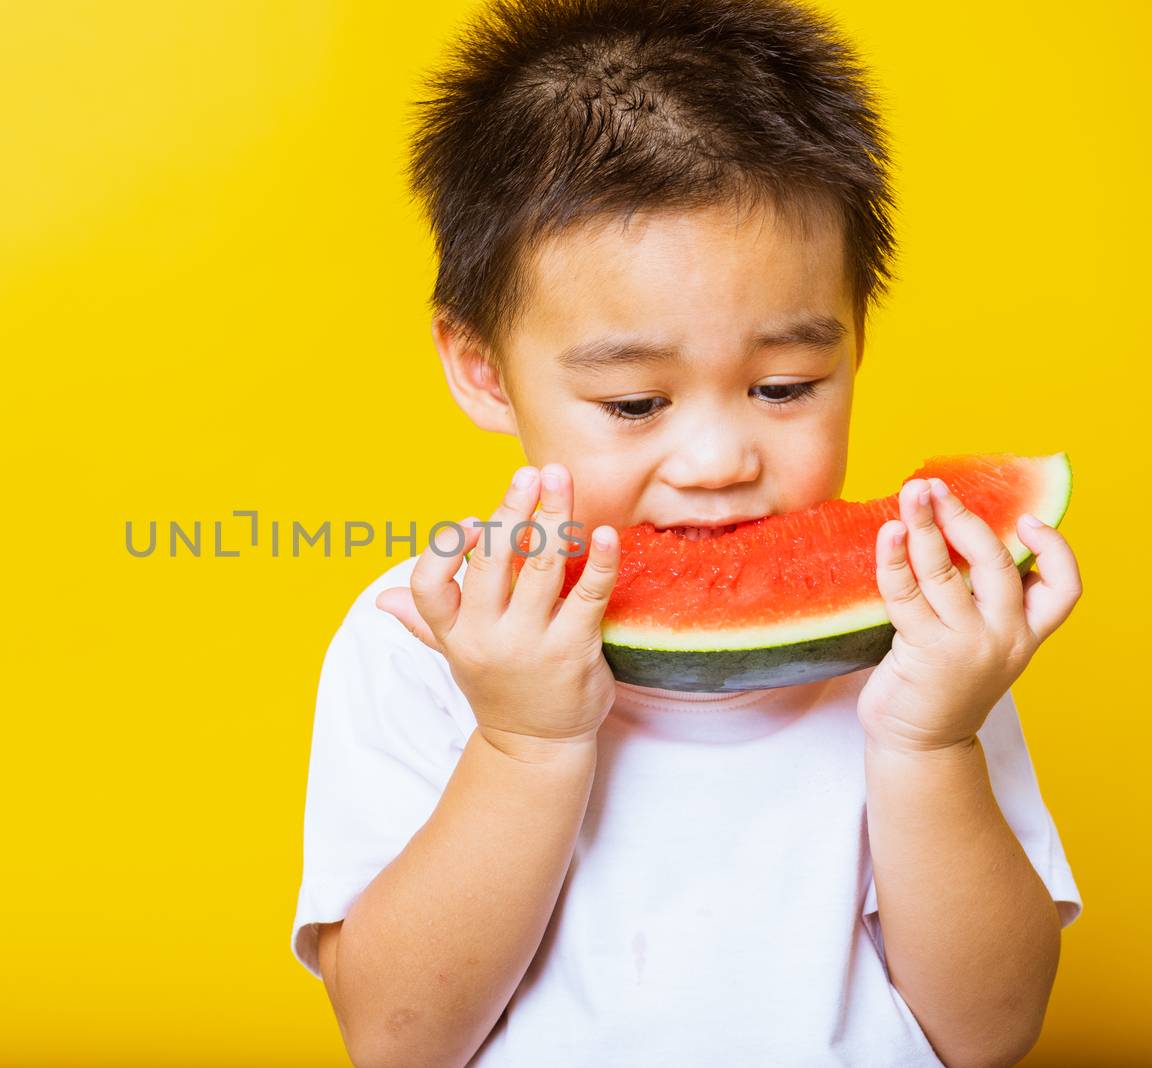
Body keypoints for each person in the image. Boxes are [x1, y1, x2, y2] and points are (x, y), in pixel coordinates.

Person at [288, 1, 1085, 1065]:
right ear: (481, 367)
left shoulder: (930, 636)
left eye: (785, 385)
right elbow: (397, 1040)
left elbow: (988, 1036)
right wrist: (523, 742)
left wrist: (930, 740)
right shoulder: (419, 640)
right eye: (633, 403)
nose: (718, 461)